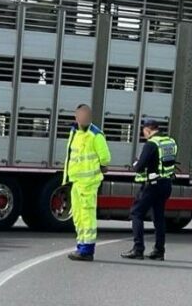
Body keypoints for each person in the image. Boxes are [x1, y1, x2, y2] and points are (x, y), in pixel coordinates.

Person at [122, 117, 177, 261]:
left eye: (144, 131)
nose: (143, 134)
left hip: (152, 185)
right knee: (158, 216)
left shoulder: (151, 144)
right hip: (166, 184)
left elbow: (139, 166)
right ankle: (159, 251)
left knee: (136, 213)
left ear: (148, 129)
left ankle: (138, 249)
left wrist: (135, 164)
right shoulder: (169, 142)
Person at [65, 104, 111, 262]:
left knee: (87, 215)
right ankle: (81, 246)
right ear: (76, 117)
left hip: (89, 183)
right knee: (78, 216)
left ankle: (87, 249)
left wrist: (101, 167)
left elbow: (105, 157)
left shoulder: (95, 134)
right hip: (77, 181)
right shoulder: (74, 132)